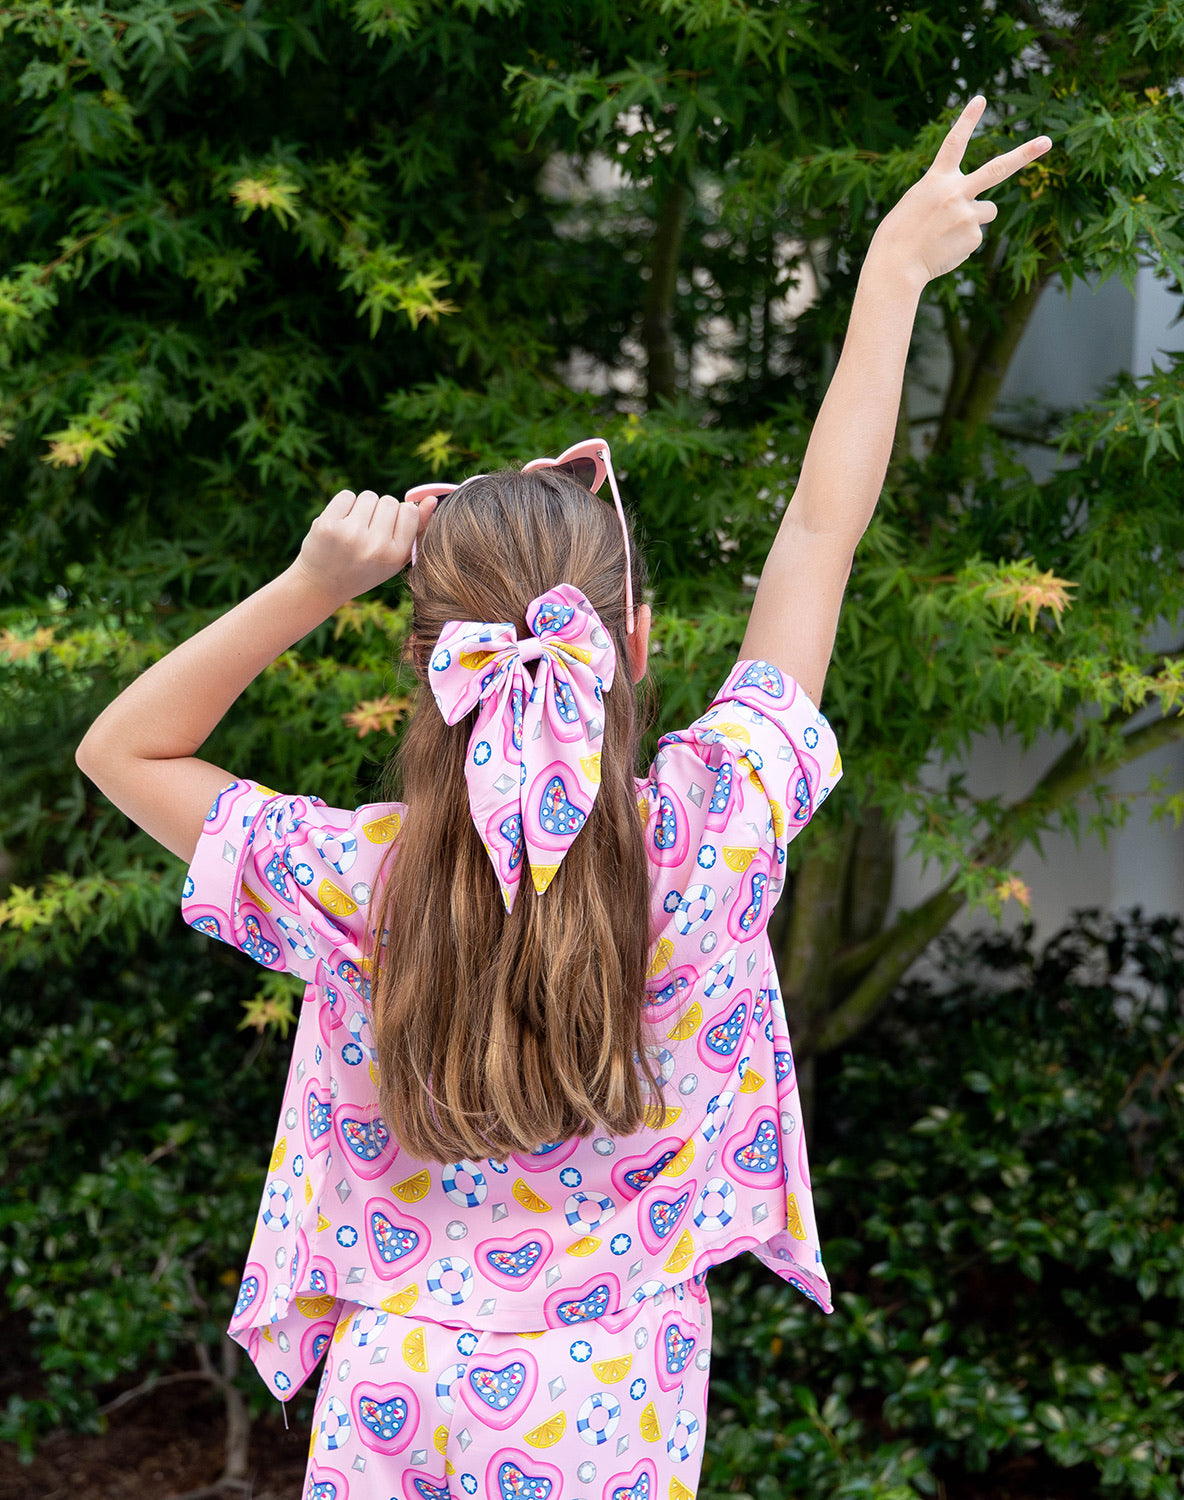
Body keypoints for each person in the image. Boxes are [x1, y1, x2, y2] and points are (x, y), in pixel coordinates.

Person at [76, 96, 1051, 1500]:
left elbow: (125, 751)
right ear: (631, 648)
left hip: (400, 1379)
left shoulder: (364, 876)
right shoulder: (710, 826)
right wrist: (893, 274)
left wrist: (309, 586)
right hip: (616, 1386)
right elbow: (820, 534)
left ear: (434, 671)